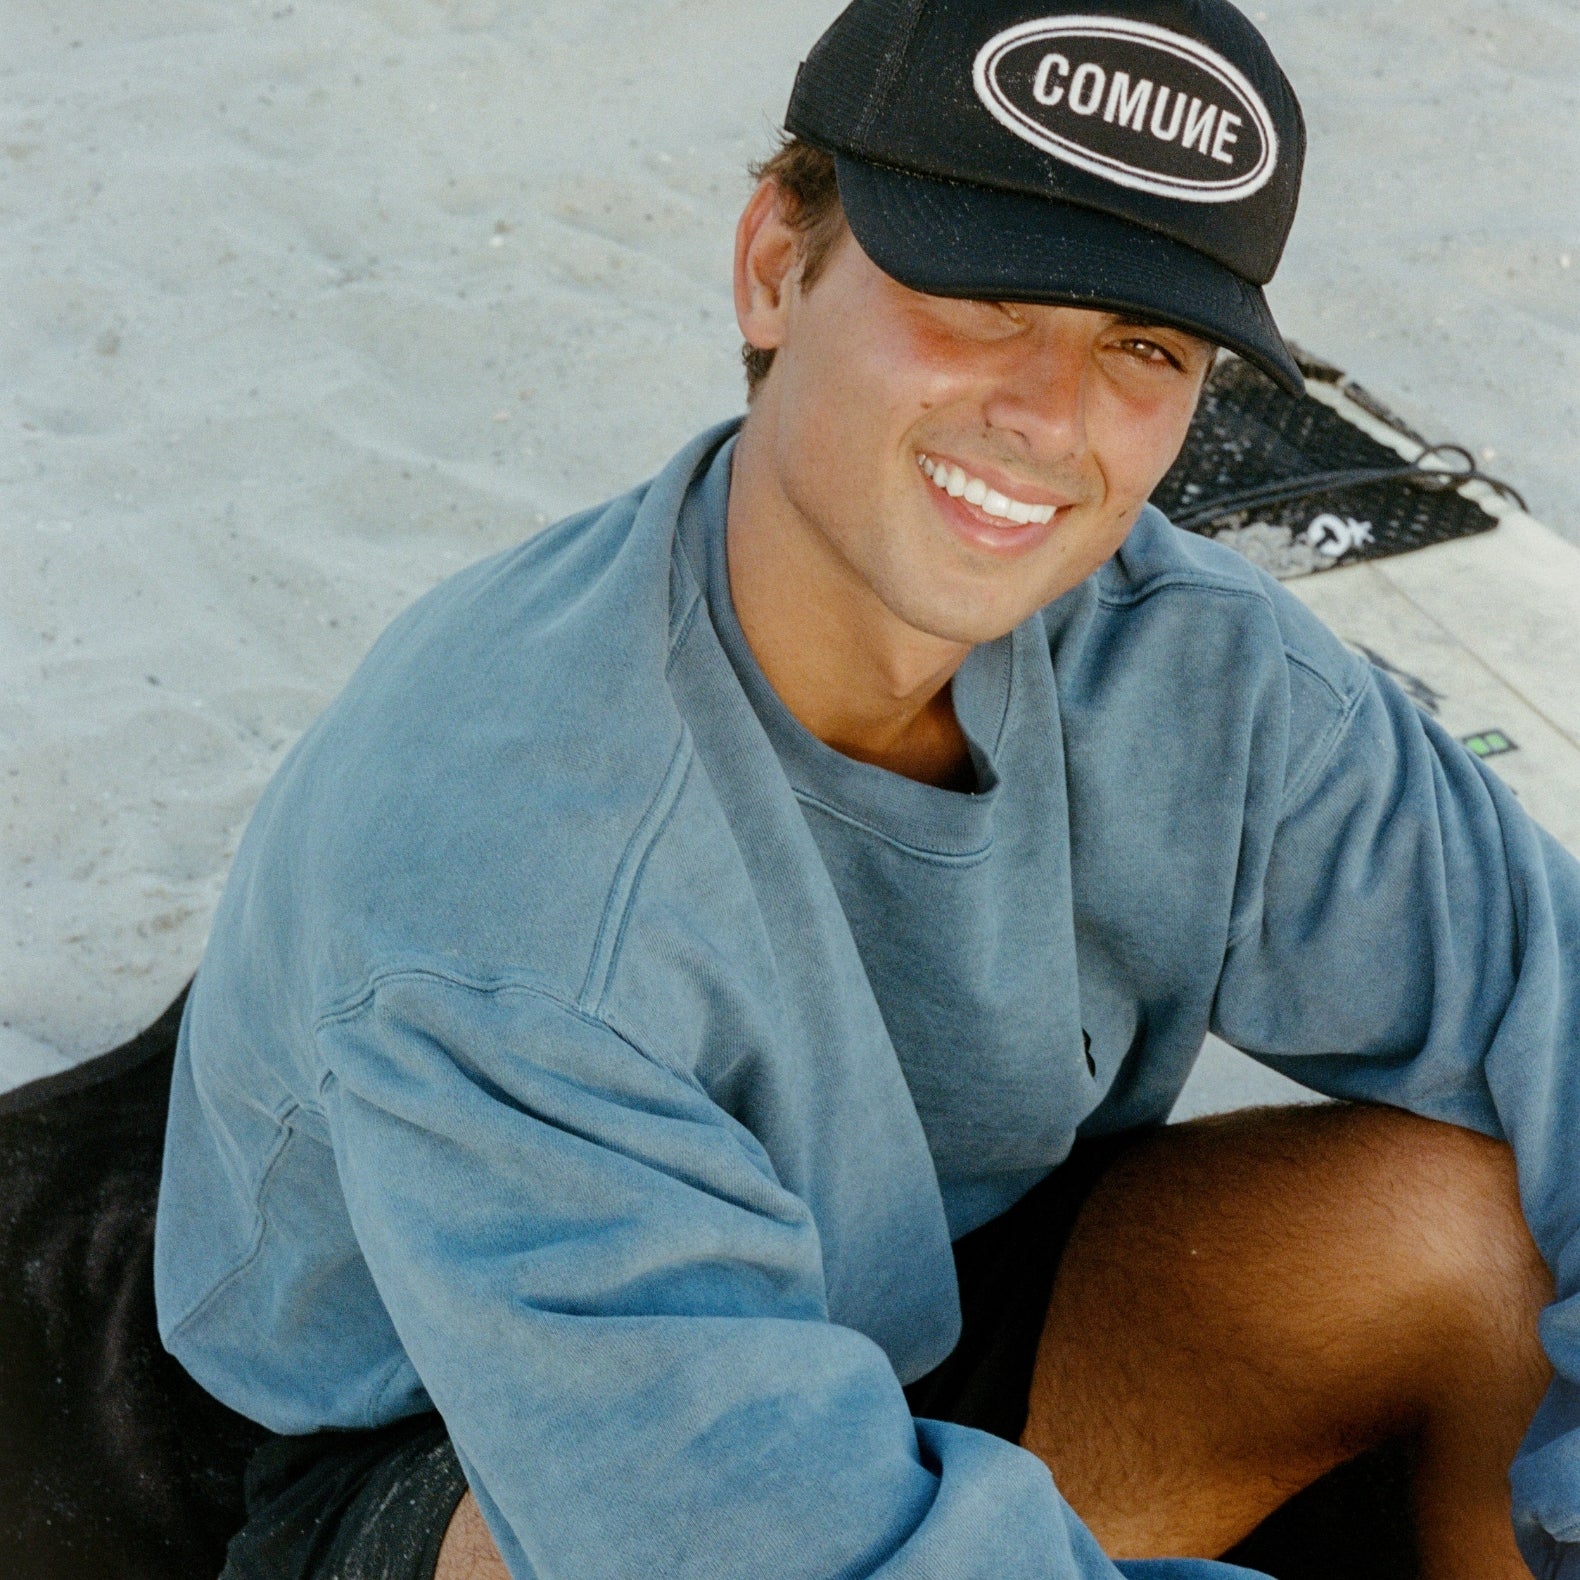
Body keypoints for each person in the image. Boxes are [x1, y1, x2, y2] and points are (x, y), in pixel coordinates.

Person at [152, 1, 1579, 1577]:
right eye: (978, 298)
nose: (1048, 416)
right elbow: (754, 1542)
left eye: (1141, 348)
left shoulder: (1189, 672)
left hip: (915, 1314)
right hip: (486, 1448)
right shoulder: (509, 871)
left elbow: (1554, 1008)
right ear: (777, 265)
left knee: (1466, 1227)